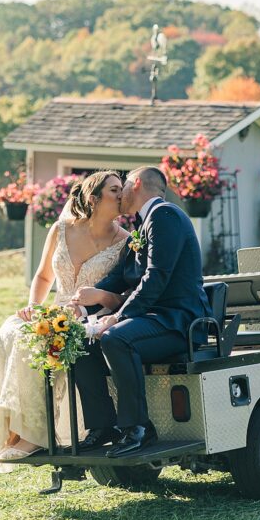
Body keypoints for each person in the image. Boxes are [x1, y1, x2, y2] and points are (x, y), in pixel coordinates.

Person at [0, 170, 130, 472]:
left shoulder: (125, 242)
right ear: (94, 198)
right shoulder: (61, 229)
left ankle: (34, 435)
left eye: (123, 189)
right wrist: (32, 307)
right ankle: (17, 428)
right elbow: (43, 276)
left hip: (93, 318)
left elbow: (122, 296)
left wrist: (96, 304)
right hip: (56, 311)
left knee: (52, 339)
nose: (122, 194)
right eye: (115, 189)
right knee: (12, 330)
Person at [70, 166, 212, 457]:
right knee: (81, 343)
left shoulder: (165, 215)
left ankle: (138, 428)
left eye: (121, 186)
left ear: (135, 185)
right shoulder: (142, 227)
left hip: (178, 320)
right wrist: (84, 306)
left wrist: (119, 317)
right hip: (152, 319)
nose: (118, 193)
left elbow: (156, 277)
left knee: (116, 338)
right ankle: (102, 427)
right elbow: (120, 277)